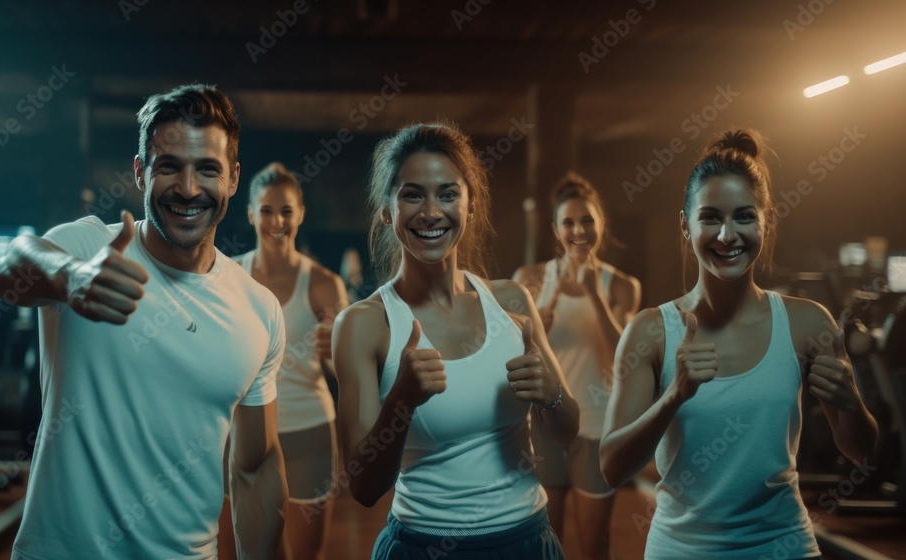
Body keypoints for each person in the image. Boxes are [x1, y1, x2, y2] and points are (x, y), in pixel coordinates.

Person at [0, 84, 288, 560]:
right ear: (140, 171)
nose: (188, 189)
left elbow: (256, 465)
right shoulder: (91, 248)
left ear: (232, 177)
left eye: (206, 169)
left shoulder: (259, 309)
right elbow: (7, 268)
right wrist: (69, 278)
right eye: (169, 166)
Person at [600, 129, 878, 559]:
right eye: (710, 217)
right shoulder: (650, 331)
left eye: (744, 217)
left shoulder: (807, 323)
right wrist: (674, 396)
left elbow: (862, 452)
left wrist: (851, 401)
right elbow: (612, 468)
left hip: (784, 547)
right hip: (681, 551)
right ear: (684, 224)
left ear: (766, 219)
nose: (728, 235)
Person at [332, 121, 579, 559]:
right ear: (387, 210)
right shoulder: (363, 325)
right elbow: (364, 488)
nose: (431, 212)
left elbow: (567, 430)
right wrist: (400, 403)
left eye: (447, 193)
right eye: (413, 194)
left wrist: (552, 394)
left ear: (470, 204)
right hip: (422, 546)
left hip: (526, 541)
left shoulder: (511, 302)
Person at [512, 172, 641, 559]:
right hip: (545, 424)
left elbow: (625, 359)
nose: (578, 230)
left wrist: (593, 296)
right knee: (546, 542)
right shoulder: (529, 280)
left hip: (597, 425)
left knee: (594, 544)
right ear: (556, 229)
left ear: (601, 224)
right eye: (568, 222)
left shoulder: (622, 286)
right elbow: (513, 358)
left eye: (587, 220)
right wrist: (540, 327)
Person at [232, 162, 348, 560]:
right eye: (266, 210)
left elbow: (345, 374)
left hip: (308, 431)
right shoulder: (230, 278)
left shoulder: (323, 283)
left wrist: (335, 352)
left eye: (286, 210)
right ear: (250, 213)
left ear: (300, 214)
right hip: (244, 432)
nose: (277, 220)